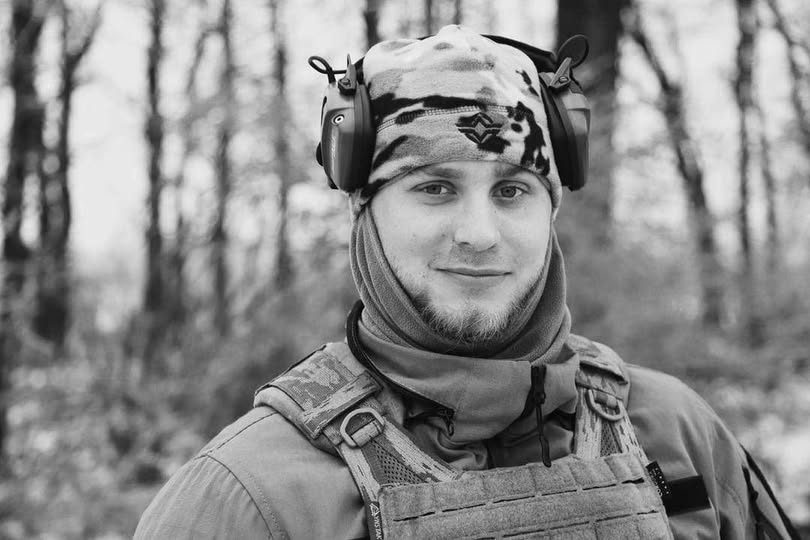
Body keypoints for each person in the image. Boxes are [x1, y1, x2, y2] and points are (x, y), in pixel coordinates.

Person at [134, 25, 798, 539]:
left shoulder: (677, 433)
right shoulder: (248, 498)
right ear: (366, 212)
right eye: (435, 188)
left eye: (512, 190)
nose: (479, 233)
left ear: (550, 213)